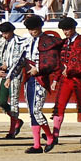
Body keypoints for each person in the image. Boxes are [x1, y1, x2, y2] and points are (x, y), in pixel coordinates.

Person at [9, 14, 60, 153]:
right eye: (30, 29)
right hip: (29, 79)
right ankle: (37, 145)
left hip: (41, 79)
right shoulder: (27, 41)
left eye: (34, 29)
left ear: (40, 27)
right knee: (32, 111)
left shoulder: (48, 41)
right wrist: (10, 76)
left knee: (37, 110)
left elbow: (52, 62)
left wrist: (38, 69)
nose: (32, 32)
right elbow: (20, 60)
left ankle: (49, 137)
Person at [49, 16, 81, 144]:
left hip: (78, 79)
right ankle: (55, 135)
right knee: (59, 106)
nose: (65, 32)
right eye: (63, 30)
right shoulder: (64, 43)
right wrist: (55, 79)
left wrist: (71, 69)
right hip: (65, 79)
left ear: (73, 28)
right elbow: (60, 63)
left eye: (67, 29)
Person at [0, 20, 23, 139]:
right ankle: (17, 121)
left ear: (12, 32)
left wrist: (8, 70)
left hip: (15, 75)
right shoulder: (0, 41)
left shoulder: (19, 42)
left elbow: (18, 61)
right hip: (3, 75)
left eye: (6, 33)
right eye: (2, 33)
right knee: (1, 102)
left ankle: (12, 130)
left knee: (14, 102)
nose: (4, 36)